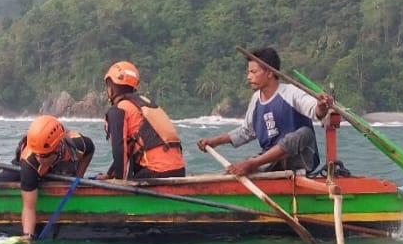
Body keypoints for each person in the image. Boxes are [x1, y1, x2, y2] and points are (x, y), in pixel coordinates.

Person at [196, 46, 333, 177]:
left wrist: (321, 105)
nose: (248, 77)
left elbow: (315, 111)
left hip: (299, 160)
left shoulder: (290, 93)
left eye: (253, 72)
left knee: (305, 133)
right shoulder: (256, 99)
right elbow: (246, 132)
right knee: (233, 172)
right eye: (248, 72)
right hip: (269, 161)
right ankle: (252, 166)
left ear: (269, 73)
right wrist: (214, 141)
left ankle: (253, 163)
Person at [0, 115, 95, 239]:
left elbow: (90, 150)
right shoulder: (30, 162)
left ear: (58, 147)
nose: (40, 159)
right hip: (25, 170)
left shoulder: (77, 144)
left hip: (60, 167)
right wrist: (27, 236)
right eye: (37, 155)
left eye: (44, 155)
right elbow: (29, 208)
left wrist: (78, 178)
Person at [99, 61, 186, 179]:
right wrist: (110, 175)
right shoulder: (146, 105)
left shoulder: (118, 110)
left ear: (111, 90)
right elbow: (131, 148)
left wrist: (118, 182)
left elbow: (120, 149)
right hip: (179, 170)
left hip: (156, 172)